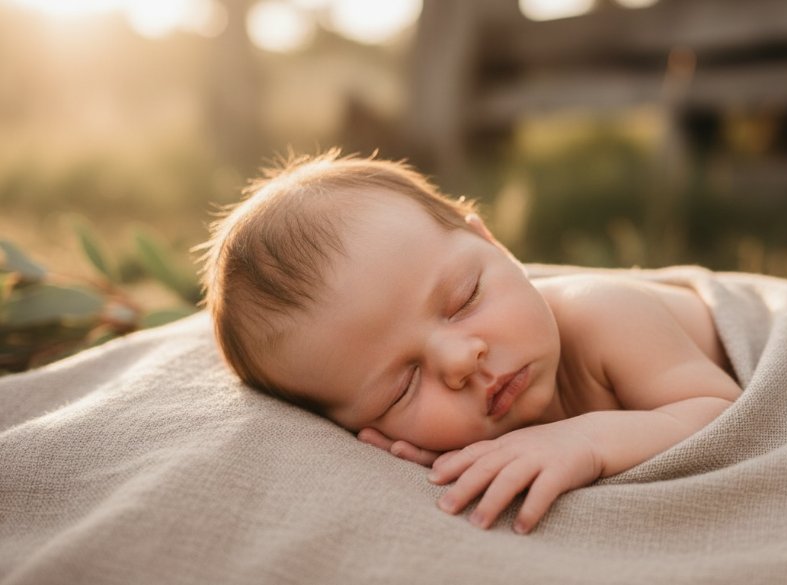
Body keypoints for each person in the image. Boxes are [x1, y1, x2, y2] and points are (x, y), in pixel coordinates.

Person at [199, 150, 742, 535]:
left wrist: (586, 441)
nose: (461, 360)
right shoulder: (435, 429)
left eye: (464, 300)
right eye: (402, 388)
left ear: (493, 244)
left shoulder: (604, 315)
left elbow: (721, 411)